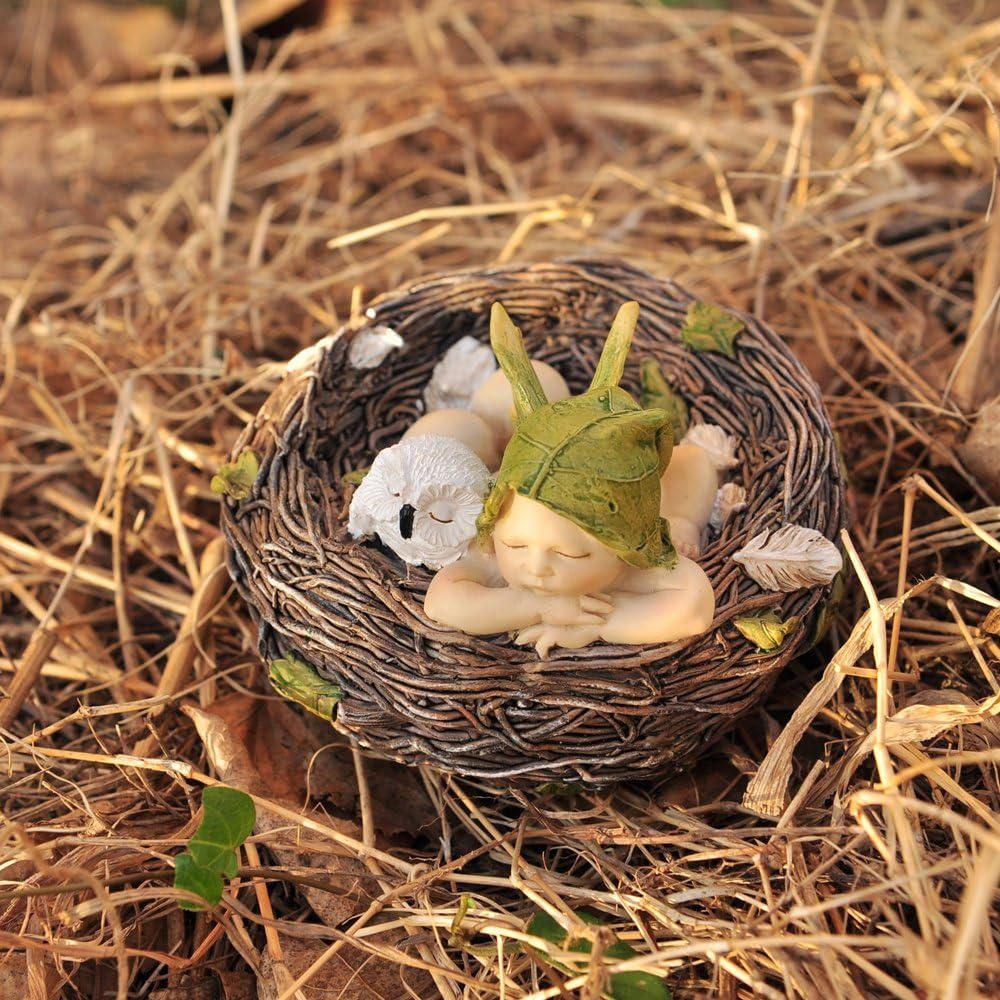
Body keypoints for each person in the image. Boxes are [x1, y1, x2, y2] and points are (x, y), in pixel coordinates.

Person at [424, 300, 715, 658]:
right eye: (516, 546)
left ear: (623, 547)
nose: (536, 568)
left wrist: (599, 623)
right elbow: (441, 600)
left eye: (569, 554)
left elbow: (694, 607)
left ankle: (683, 520)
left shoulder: (631, 565)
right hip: (526, 468)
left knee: (692, 464)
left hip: (634, 492)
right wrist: (536, 607)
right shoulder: (495, 547)